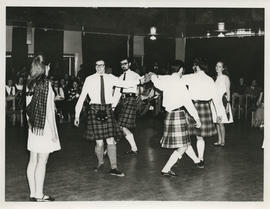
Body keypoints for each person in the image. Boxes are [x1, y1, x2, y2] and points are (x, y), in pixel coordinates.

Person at [74, 59, 141, 177]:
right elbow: (82, 97)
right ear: (95, 67)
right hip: (95, 110)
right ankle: (100, 162)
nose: (100, 67)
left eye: (102, 65)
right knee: (99, 143)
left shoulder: (111, 77)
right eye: (97, 65)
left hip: (107, 109)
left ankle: (114, 168)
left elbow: (125, 84)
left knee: (110, 140)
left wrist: (140, 80)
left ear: (105, 66)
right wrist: (76, 114)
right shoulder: (89, 79)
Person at [150, 60, 201, 177]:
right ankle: (166, 168)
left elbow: (157, 82)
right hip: (178, 115)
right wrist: (197, 118)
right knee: (183, 145)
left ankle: (197, 161)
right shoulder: (180, 84)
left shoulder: (167, 79)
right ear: (181, 70)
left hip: (169, 115)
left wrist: (153, 76)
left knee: (185, 142)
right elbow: (188, 103)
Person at [26, 55, 61, 202]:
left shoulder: (30, 82)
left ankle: (33, 193)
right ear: (45, 66)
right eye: (49, 66)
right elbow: (48, 111)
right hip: (44, 127)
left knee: (33, 160)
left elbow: (27, 107)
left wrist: (30, 124)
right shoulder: (46, 83)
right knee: (42, 161)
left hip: (33, 126)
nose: (50, 68)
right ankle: (40, 195)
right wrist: (53, 132)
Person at [180, 58, 223, 168]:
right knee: (200, 137)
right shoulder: (209, 79)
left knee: (185, 136)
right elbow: (215, 98)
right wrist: (219, 114)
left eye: (194, 66)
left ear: (196, 66)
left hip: (192, 107)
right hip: (205, 107)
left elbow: (177, 78)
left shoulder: (191, 77)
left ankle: (181, 156)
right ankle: (201, 159)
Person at [114, 58, 142, 155]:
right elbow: (117, 92)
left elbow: (140, 86)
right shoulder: (120, 77)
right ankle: (134, 149)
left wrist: (137, 98)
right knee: (122, 126)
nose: (123, 65)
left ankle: (112, 145)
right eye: (121, 64)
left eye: (125, 63)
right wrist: (113, 106)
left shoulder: (135, 75)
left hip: (131, 100)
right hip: (123, 100)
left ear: (129, 64)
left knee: (121, 125)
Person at [213, 61, 233, 147]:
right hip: (214, 102)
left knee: (221, 122)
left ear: (223, 68)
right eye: (217, 66)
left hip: (222, 102)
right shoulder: (214, 78)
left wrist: (228, 104)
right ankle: (219, 140)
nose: (218, 68)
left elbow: (228, 91)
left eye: (220, 66)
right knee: (217, 122)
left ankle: (223, 141)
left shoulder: (225, 78)